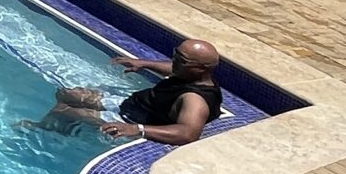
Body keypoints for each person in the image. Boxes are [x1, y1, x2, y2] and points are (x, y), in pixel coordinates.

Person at [28, 38, 224, 145]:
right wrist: (144, 63)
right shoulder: (191, 74)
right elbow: (172, 69)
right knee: (66, 93)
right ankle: (64, 128)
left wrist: (137, 129)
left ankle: (46, 132)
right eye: (175, 55)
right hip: (131, 104)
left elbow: (188, 133)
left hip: (131, 119)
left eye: (180, 59)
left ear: (200, 68)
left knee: (64, 109)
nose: (173, 61)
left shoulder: (194, 100)